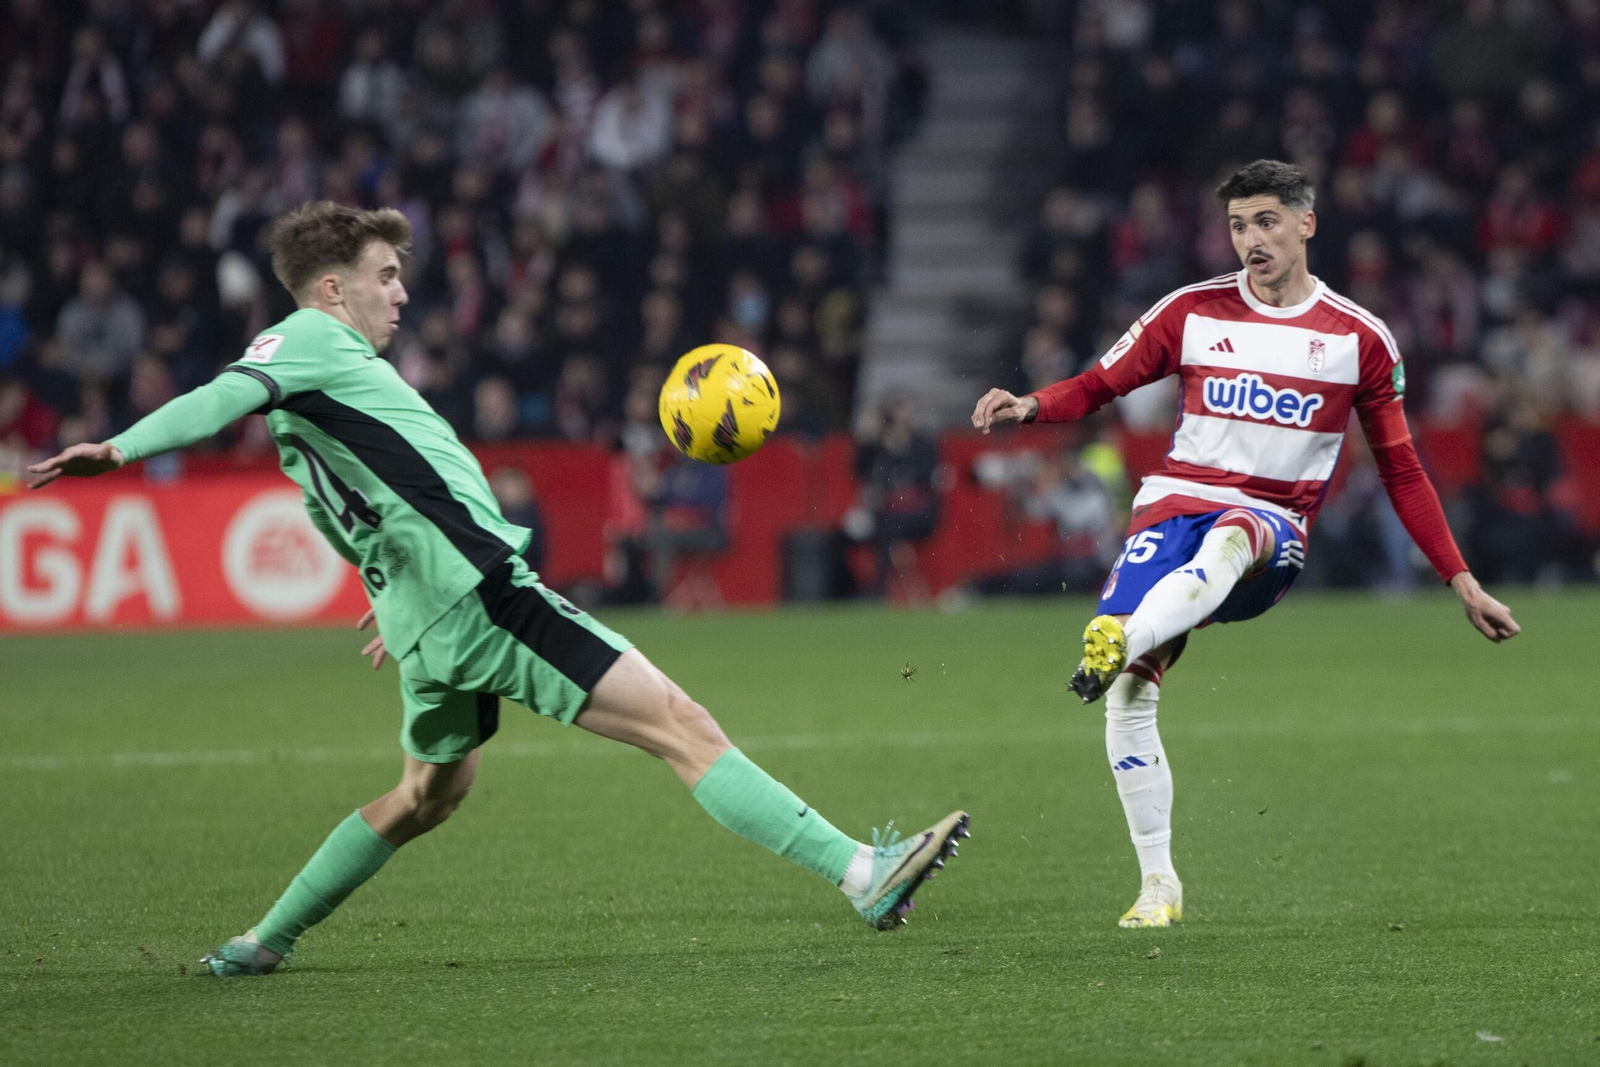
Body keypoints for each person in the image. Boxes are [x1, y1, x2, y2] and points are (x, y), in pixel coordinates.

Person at [27, 201, 969, 976]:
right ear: (331, 286)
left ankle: (258, 942)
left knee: (425, 794)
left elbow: (336, 508)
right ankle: (860, 872)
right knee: (683, 726)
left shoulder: (325, 392)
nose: (401, 291)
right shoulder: (305, 340)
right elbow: (220, 395)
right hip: (482, 595)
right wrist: (122, 446)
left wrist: (387, 591)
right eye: (384, 274)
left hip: (427, 615)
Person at [971, 160, 1519, 930]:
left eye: (1265, 222)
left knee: (1236, 532)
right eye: (1237, 225)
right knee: (1127, 694)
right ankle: (1158, 884)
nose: (1250, 241)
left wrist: (1461, 579)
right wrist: (1029, 404)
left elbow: (1402, 468)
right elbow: (1100, 383)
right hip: (1171, 513)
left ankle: (1122, 634)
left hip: (1272, 532)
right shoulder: (1191, 311)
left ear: (1306, 223)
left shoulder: (1358, 338)